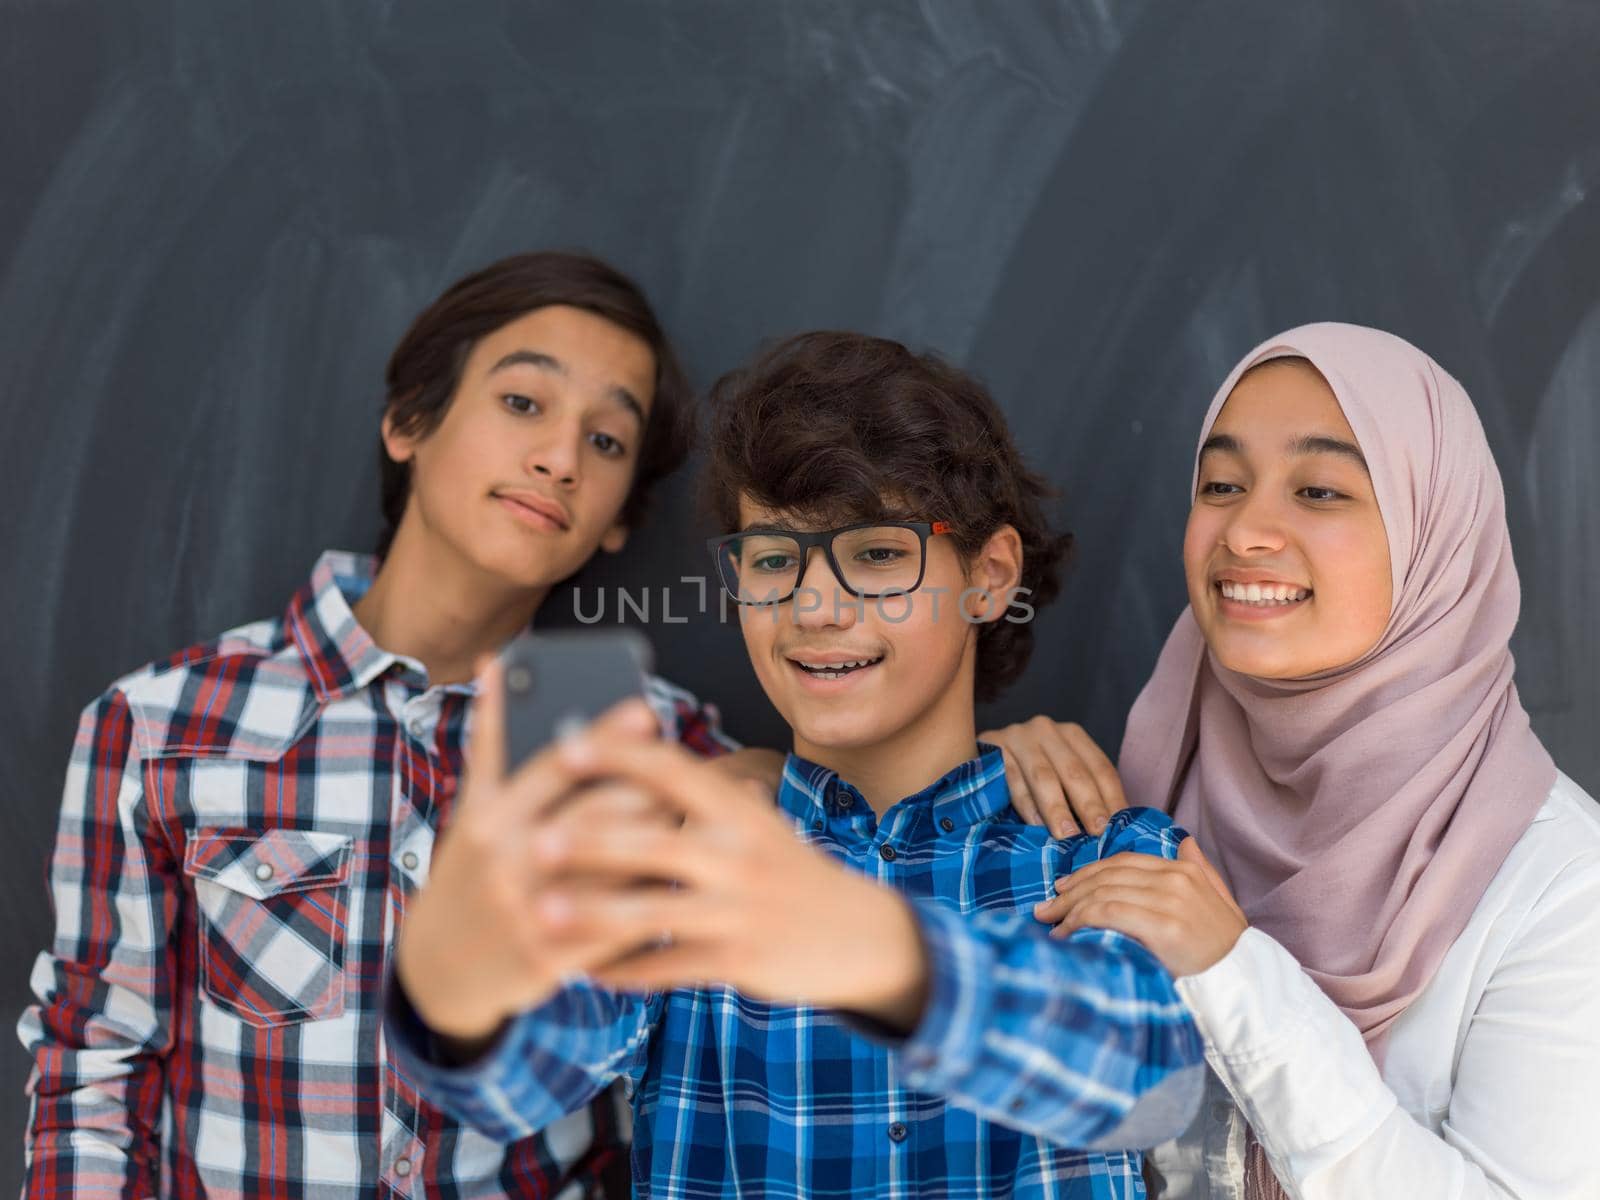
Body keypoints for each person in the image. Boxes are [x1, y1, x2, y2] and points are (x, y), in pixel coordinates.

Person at [388, 329, 1208, 1198]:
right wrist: (458, 990)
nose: (814, 607)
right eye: (775, 560)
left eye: (878, 554)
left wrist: (887, 954)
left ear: (990, 574)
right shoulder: (682, 861)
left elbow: (1154, 1080)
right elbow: (515, 1083)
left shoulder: (1103, 852)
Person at [17, 251, 751, 1198]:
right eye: (524, 403)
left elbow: (860, 832)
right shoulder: (161, 728)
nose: (560, 458)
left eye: (607, 441)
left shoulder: (647, 742)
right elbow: (94, 1064)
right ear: (410, 422)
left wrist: (777, 775)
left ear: (617, 520)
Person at [1003, 323, 1600, 1197]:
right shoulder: (1131, 798)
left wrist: (1233, 971)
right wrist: (965, 776)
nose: (1245, 531)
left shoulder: (1558, 888)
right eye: (1221, 484)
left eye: (1319, 490)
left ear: (1436, 537)